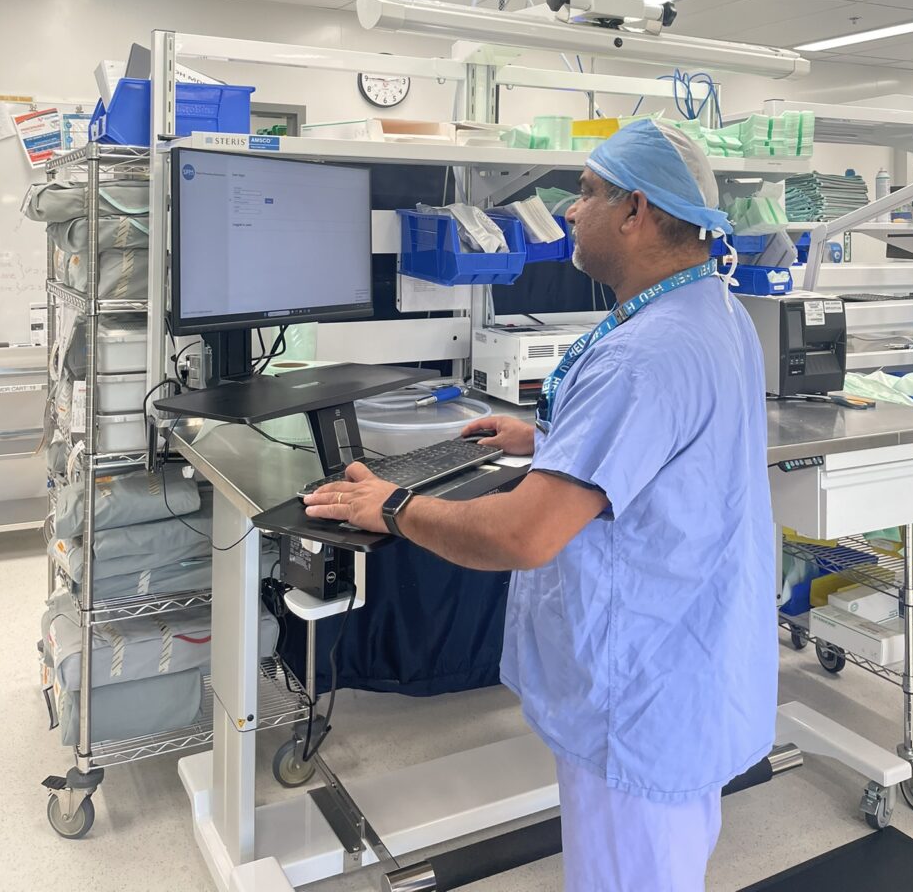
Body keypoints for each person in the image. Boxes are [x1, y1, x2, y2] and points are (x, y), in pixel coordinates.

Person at [304, 119, 778, 891]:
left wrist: (391, 507)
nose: (568, 210)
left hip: (637, 689)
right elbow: (662, 446)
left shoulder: (642, 355)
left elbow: (522, 536)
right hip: (686, 661)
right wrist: (551, 439)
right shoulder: (710, 310)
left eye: (585, 193)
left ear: (635, 210)